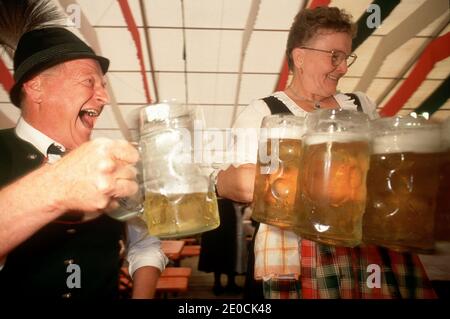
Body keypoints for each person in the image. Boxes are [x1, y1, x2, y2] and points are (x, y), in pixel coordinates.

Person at [217, 6, 436, 299]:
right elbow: (233, 185)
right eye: (334, 56)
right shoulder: (265, 112)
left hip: (366, 247)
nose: (344, 67)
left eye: (346, 57)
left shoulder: (359, 105)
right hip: (296, 249)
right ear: (300, 56)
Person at [0, 27, 167, 299]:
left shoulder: (110, 162)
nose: (104, 97)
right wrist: (58, 186)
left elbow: (145, 243)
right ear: (36, 87)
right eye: (89, 82)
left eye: (103, 85)